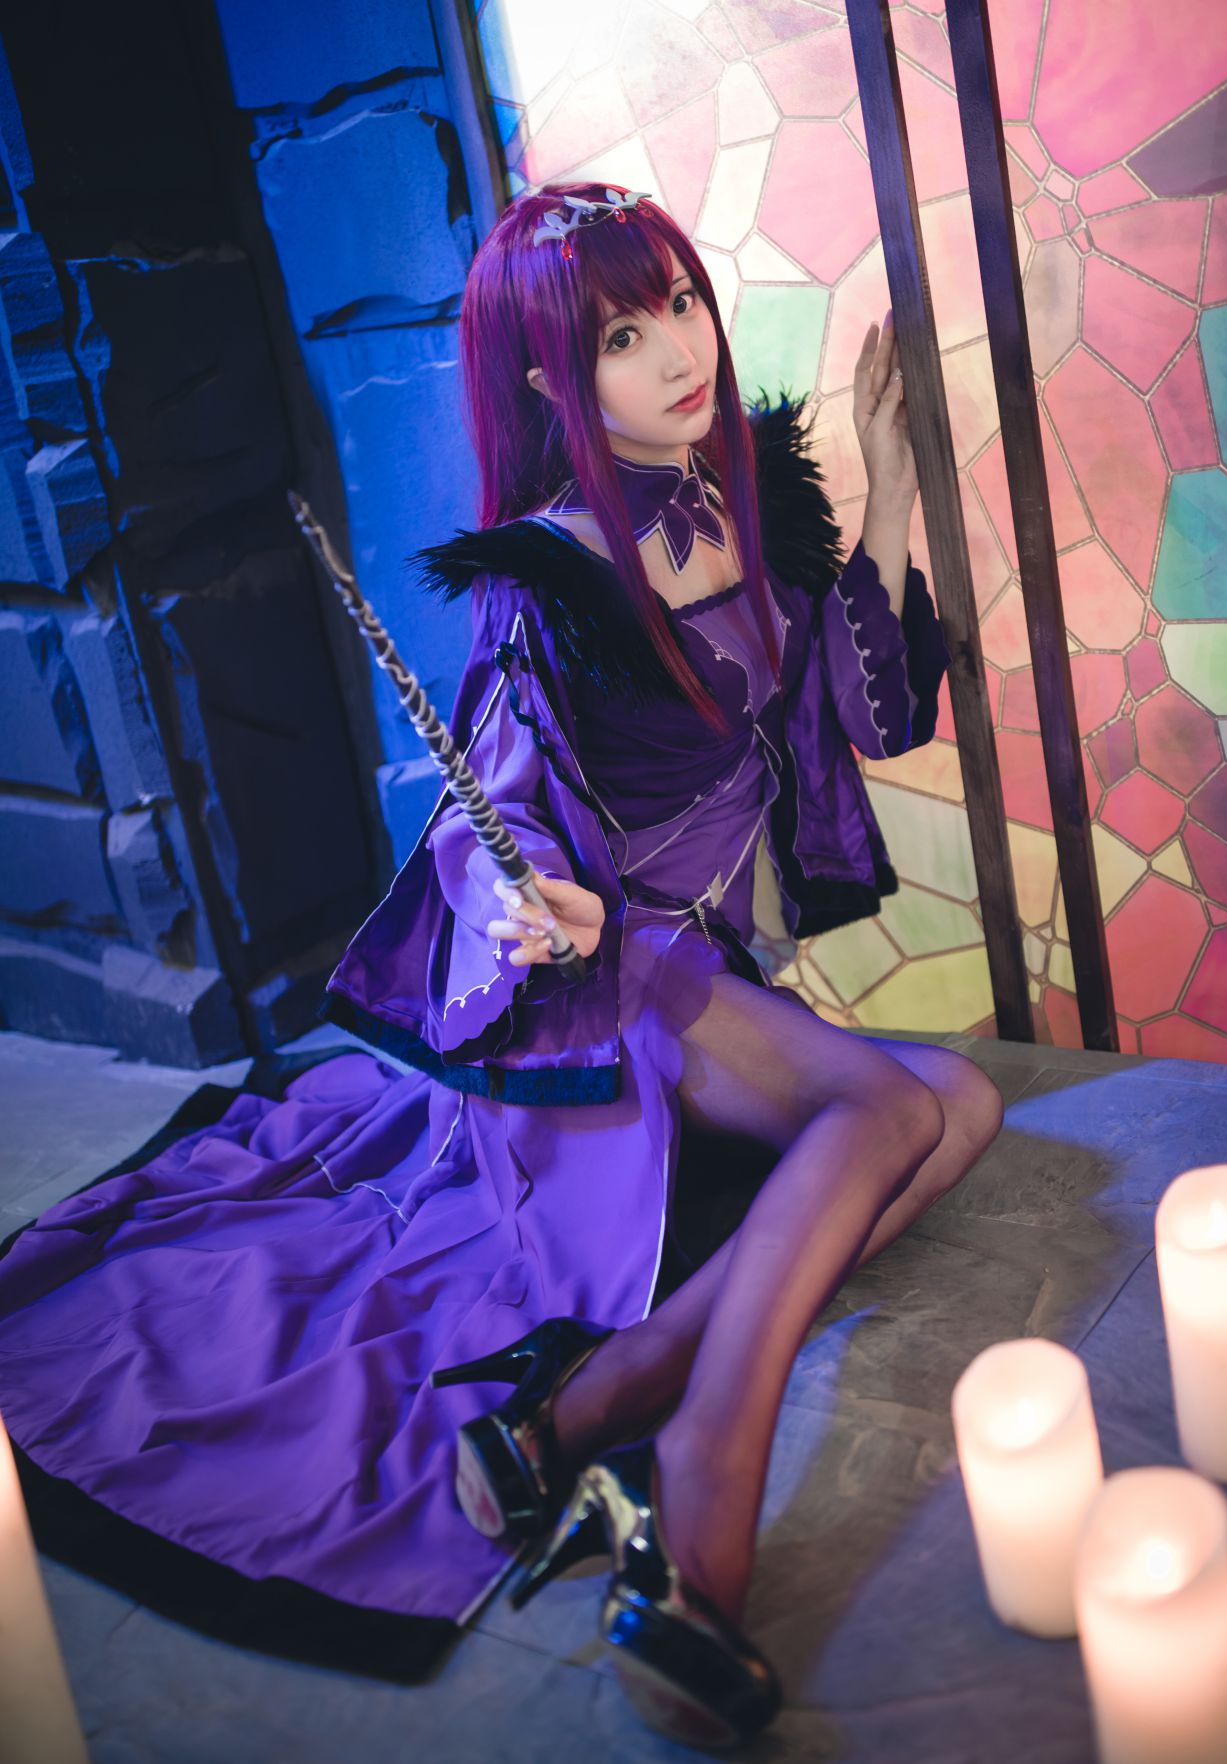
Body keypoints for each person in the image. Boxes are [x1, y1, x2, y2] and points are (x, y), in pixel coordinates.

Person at [0, 181, 1003, 1745]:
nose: (677, 350)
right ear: (551, 379)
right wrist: (531, 898)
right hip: (621, 981)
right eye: (621, 335)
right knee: (886, 1112)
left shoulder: (754, 501)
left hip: (722, 980)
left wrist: (889, 491)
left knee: (963, 1106)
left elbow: (872, 718)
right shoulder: (547, 573)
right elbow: (494, 807)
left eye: (679, 303)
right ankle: (705, 1498)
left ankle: (585, 1407)